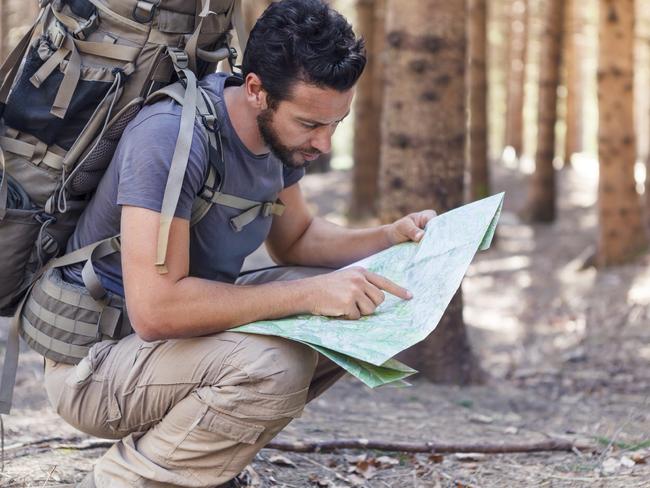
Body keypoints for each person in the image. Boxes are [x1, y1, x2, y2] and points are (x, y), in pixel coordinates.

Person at [43, 0, 436, 485]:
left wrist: (389, 237)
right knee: (274, 363)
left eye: (337, 122)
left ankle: (191, 459)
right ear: (256, 90)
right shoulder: (171, 137)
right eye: (311, 124)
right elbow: (157, 310)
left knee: (356, 304)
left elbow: (298, 241)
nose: (324, 144)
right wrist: (310, 296)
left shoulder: (280, 138)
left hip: (175, 350)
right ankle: (129, 479)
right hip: (96, 365)